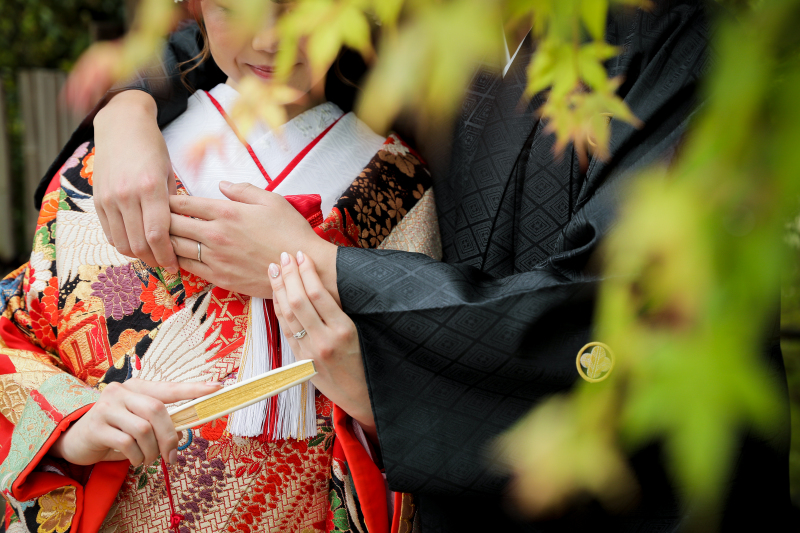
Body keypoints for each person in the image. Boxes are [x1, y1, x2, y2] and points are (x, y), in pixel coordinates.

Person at [17, 0, 794, 532]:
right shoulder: (424, 28)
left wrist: (323, 265)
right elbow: (254, 35)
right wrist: (126, 103)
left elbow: (617, 311)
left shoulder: (685, 38)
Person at [0, 1, 440, 532]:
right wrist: (72, 426)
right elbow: (18, 334)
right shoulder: (118, 167)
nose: (269, 42)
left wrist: (367, 401)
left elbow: (433, 397)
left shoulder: (396, 189)